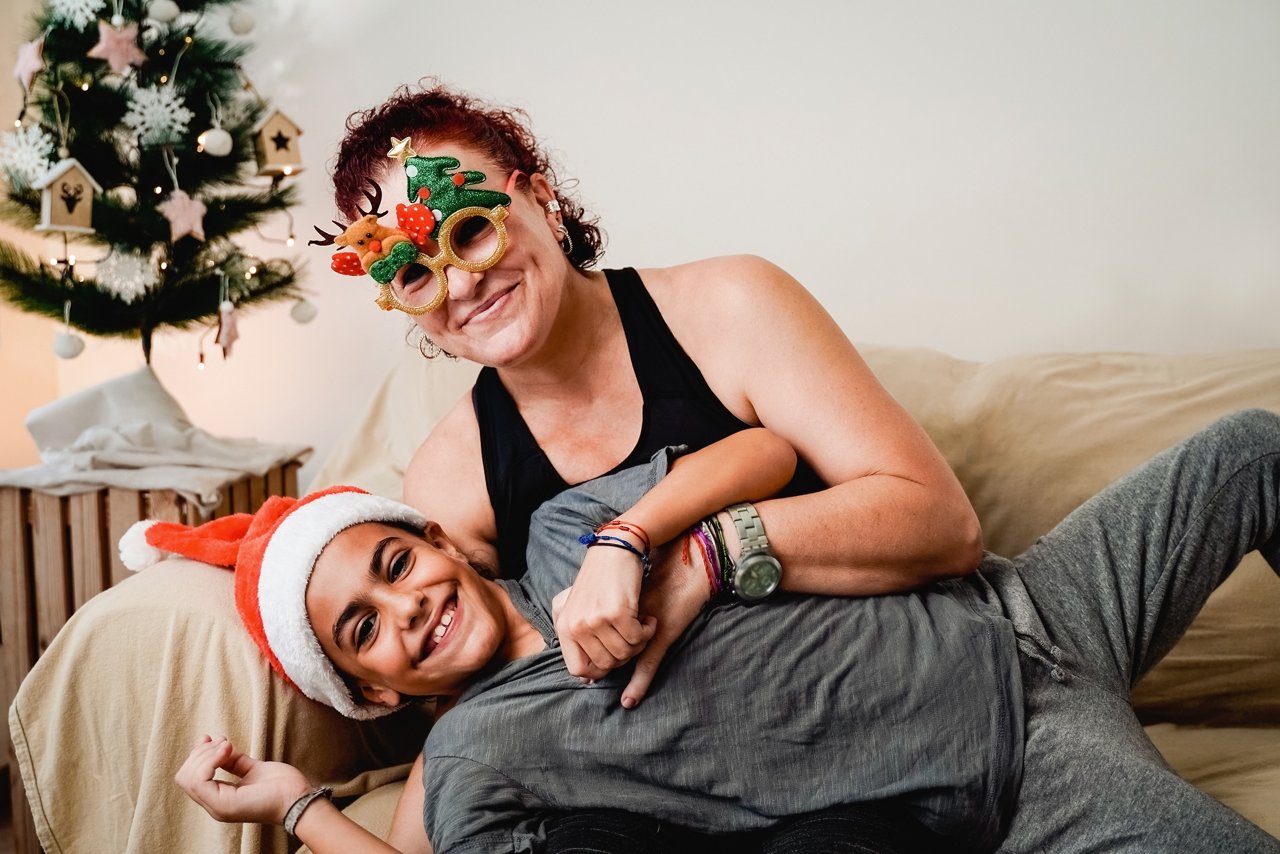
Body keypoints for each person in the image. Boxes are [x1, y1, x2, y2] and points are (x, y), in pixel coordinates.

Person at [313, 81, 984, 849]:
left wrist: (695, 554)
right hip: (651, 808)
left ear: (540, 200)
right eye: (414, 271)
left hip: (862, 740)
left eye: (469, 231)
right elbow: (487, 709)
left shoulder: (730, 307)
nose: (462, 283)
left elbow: (943, 525)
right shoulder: (450, 482)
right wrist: (306, 812)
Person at [170, 411, 1280, 853]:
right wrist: (296, 805)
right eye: (363, 627)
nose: (405, 604)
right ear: (372, 691)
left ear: (440, 542)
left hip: (1029, 599)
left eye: (395, 562)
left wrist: (636, 536)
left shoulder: (570, 526)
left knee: (1250, 449)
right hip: (1015, 760)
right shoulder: (472, 757)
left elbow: (761, 450)